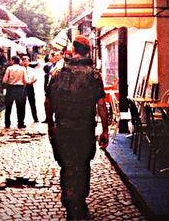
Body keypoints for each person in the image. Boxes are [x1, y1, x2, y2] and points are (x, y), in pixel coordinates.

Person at [44, 35, 109, 220]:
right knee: (82, 164)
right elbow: (102, 105)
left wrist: (50, 125)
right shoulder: (94, 75)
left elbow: (47, 101)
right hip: (84, 128)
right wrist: (104, 130)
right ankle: (79, 202)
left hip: (63, 127)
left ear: (73, 49)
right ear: (87, 51)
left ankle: (69, 200)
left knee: (67, 164)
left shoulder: (57, 73)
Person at [2, 55, 29, 129]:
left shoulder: (9, 68)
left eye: (11, 60)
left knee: (8, 107)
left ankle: (7, 123)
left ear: (13, 61)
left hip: (11, 88)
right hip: (20, 89)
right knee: (21, 107)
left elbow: (4, 80)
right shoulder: (23, 69)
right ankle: (20, 123)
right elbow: (26, 80)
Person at [21, 55, 39, 122]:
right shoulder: (20, 69)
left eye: (27, 61)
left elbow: (35, 78)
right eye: (24, 61)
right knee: (22, 104)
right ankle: (21, 119)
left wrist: (31, 82)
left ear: (29, 62)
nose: (25, 62)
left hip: (30, 86)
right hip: (22, 87)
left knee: (32, 103)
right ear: (22, 62)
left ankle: (35, 118)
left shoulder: (32, 69)